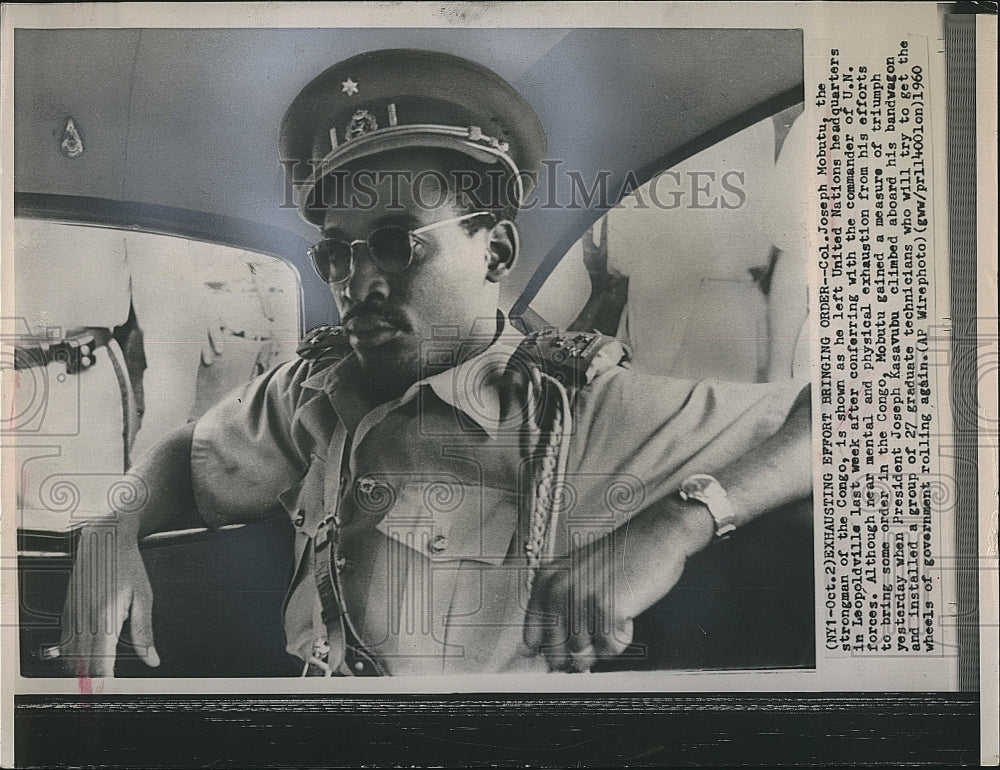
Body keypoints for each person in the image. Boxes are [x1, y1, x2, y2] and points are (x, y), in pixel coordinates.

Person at [58, 49, 812, 677]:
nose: (360, 282)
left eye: (395, 243)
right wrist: (109, 532)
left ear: (498, 251)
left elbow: (865, 421)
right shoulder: (311, 392)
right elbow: (186, 455)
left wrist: (675, 528)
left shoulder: (580, 409)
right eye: (336, 254)